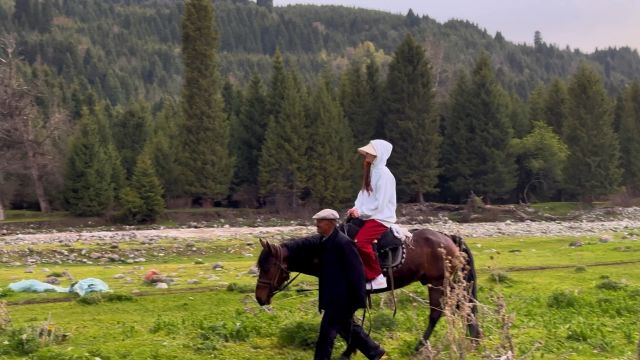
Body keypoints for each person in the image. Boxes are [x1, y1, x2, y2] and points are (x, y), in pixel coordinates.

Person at [312, 209, 387, 360]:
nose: (317, 225)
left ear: (330, 223)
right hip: (335, 298)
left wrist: (357, 299)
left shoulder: (344, 243)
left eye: (320, 222)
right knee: (348, 327)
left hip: (343, 300)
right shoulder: (325, 241)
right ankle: (376, 353)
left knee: (326, 333)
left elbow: (357, 273)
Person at [346, 140, 397, 290]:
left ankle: (377, 277)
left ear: (378, 155)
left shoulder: (385, 175)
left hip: (381, 217)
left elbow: (379, 203)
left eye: (370, 152)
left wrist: (361, 212)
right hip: (369, 215)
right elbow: (363, 195)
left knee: (361, 242)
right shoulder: (372, 171)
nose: (367, 154)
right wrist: (355, 208)